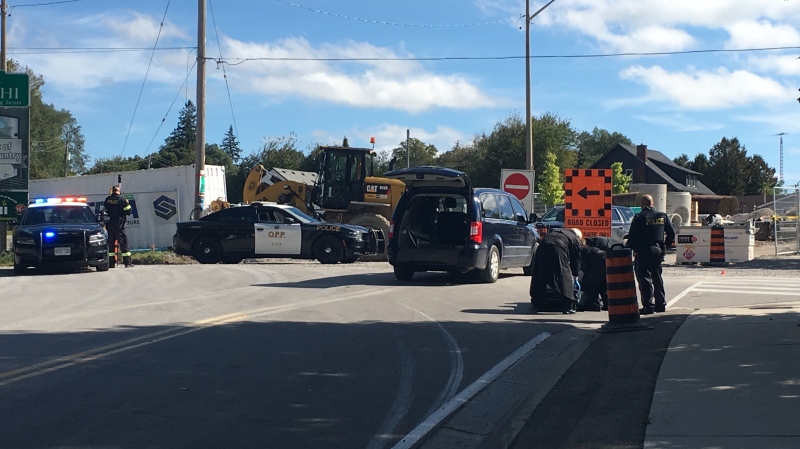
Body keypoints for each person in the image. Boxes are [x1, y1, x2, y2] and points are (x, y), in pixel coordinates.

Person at [626, 194, 675, 314]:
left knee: (644, 278)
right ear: (652, 204)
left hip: (644, 250)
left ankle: (648, 306)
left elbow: (632, 238)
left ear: (642, 205)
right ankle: (661, 304)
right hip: (658, 250)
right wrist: (665, 247)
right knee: (657, 277)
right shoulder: (662, 216)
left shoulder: (639, 217)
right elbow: (672, 233)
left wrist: (630, 248)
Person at [530, 227, 583, 314]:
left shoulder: (558, 232)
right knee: (563, 275)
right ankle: (568, 305)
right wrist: (575, 274)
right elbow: (576, 258)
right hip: (558, 247)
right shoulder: (574, 238)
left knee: (540, 273)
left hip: (543, 245)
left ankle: (539, 301)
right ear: (578, 236)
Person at [577, 236, 620, 312]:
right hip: (607, 267)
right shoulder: (596, 248)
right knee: (603, 287)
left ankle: (594, 305)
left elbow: (584, 267)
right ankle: (608, 305)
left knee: (590, 285)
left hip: (597, 270)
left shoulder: (584, 250)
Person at [104, 185, 134, 267]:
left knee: (111, 245)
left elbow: (105, 211)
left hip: (109, 225)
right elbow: (129, 211)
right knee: (124, 243)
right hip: (119, 225)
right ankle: (127, 263)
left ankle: (111, 263)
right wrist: (126, 203)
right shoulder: (122, 199)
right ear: (118, 191)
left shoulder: (107, 200)